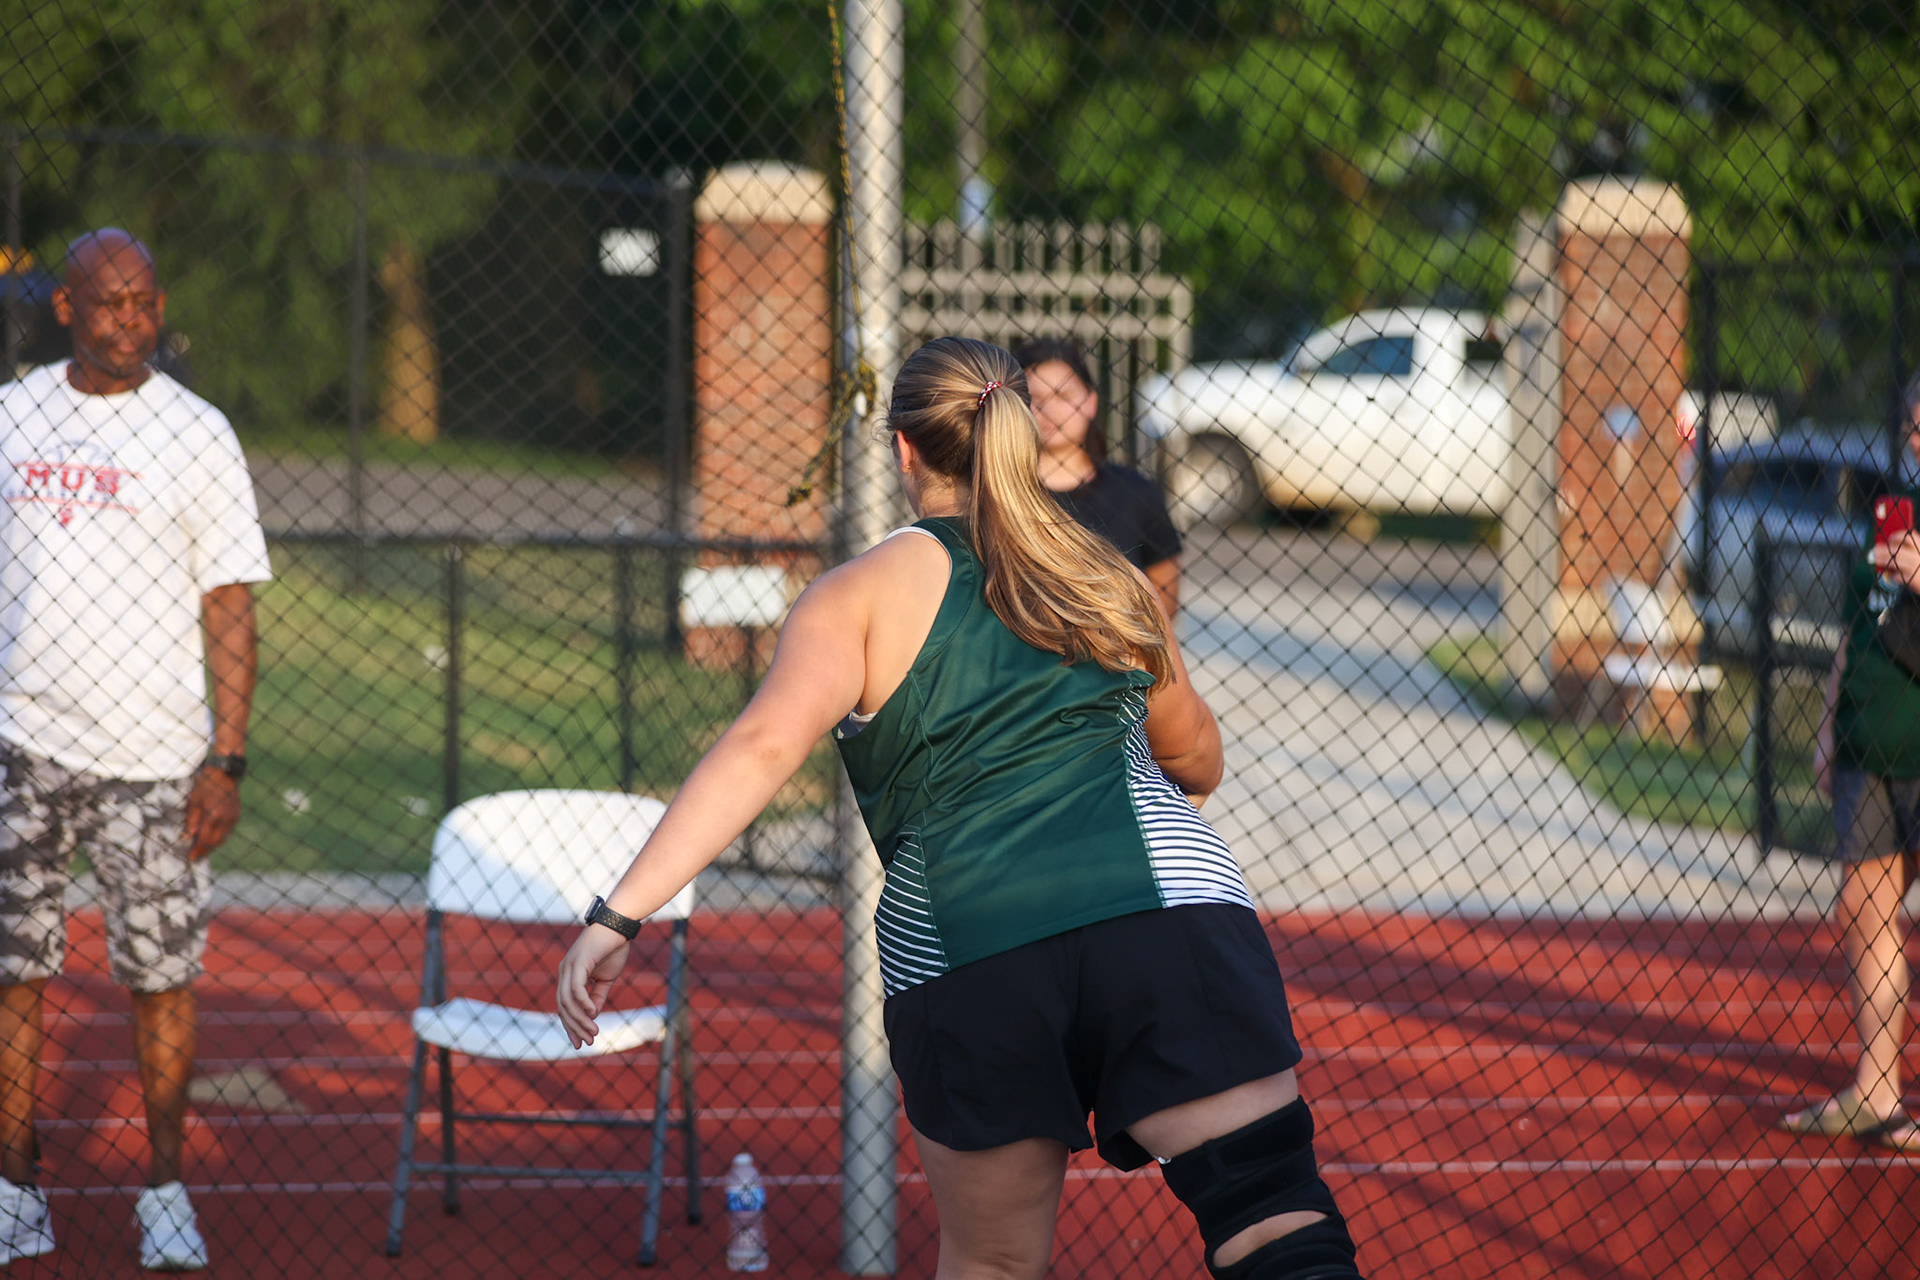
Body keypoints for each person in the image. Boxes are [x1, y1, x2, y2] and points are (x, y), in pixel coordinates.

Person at [559, 337, 1363, 1280]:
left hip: (970, 940)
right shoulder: (1103, 573)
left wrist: (619, 915)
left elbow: (763, 748)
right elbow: (1195, 751)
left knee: (994, 1261)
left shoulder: (854, 595)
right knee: (1271, 1214)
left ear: (904, 451)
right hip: (1166, 908)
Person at [0, 230, 270, 1268]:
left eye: (146, 302)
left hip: (157, 758)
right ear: (65, 307)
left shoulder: (197, 433)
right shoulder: (16, 414)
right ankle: (16, 1184)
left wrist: (228, 756)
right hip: (22, 745)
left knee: (162, 976)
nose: (131, 320)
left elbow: (230, 602)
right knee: (14, 971)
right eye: (110, 303)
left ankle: (164, 1190)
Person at [1779, 375, 1920, 1152]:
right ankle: (1876, 1091)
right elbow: (1854, 629)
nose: (1916, 439)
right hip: (1870, 743)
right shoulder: (1889, 512)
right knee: (1868, 920)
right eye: (1910, 424)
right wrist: (1832, 726)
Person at [1013, 337, 1183, 618]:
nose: (1049, 410)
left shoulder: (1135, 492)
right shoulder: (999, 494)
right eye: (1034, 399)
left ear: (1090, 402)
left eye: (1063, 396)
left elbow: (1164, 600)